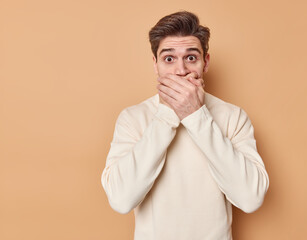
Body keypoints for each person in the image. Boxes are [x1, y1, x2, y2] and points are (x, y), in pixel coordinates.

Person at [101, 10, 269, 240]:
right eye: (169, 59)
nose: (180, 71)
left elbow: (250, 198)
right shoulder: (133, 118)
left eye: (191, 57)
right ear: (155, 64)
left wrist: (196, 116)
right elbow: (121, 200)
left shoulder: (233, 117)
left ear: (205, 62)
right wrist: (166, 116)